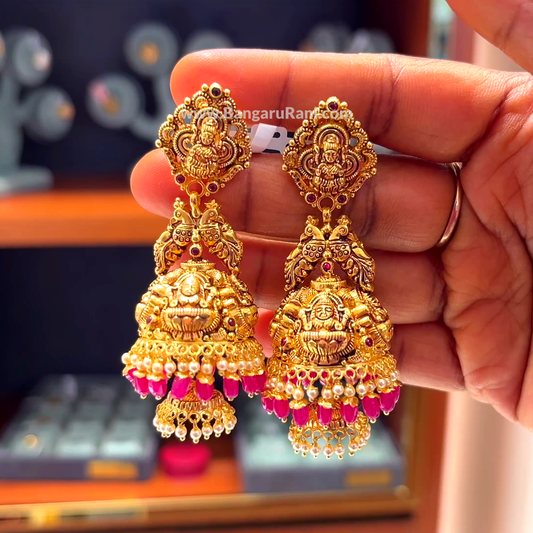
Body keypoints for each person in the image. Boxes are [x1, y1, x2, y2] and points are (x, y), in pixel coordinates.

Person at [130, 0, 533, 430]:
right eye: (204, 131)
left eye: (332, 149)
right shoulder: (217, 182)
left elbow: (338, 270)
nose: (209, 135)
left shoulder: (338, 180)